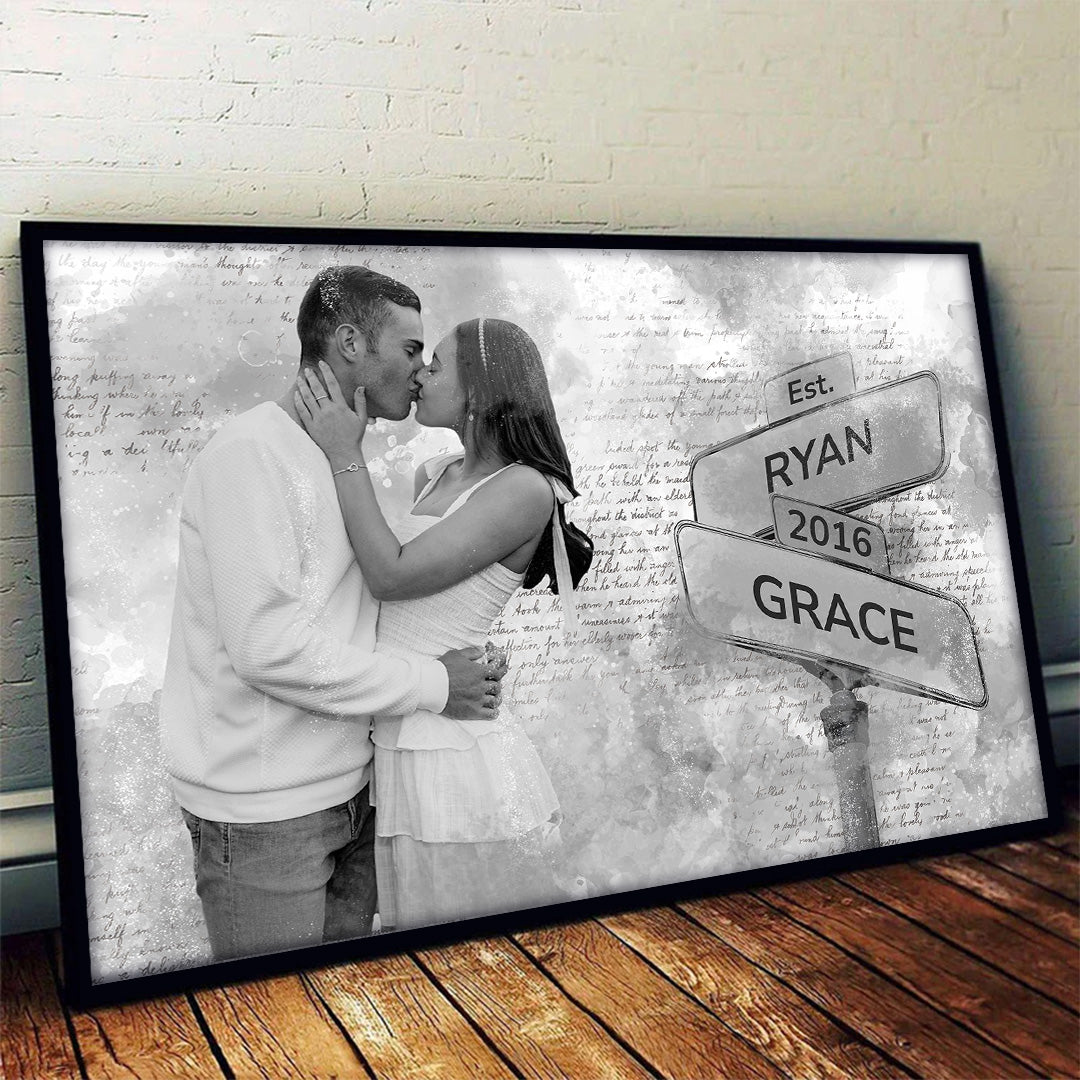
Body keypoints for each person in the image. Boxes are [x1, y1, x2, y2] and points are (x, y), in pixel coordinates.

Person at [160, 267, 505, 961]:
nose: (418, 371)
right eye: (410, 349)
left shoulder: (343, 457)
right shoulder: (250, 455)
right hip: (266, 818)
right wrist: (436, 683)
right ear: (351, 343)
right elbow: (268, 648)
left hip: (355, 797)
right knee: (279, 1038)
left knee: (342, 1026)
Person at [294, 316, 593, 930]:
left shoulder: (528, 490)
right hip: (402, 734)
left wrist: (343, 452)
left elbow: (392, 575)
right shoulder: (433, 475)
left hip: (456, 758)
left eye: (436, 364)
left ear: (481, 390)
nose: (420, 373)